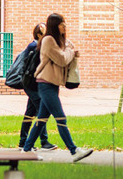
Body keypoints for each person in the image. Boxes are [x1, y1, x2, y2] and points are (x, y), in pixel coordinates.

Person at [22, 13, 93, 162]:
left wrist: (70, 51)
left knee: (41, 119)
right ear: (55, 25)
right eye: (62, 24)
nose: (65, 26)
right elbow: (61, 60)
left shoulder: (57, 41)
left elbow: (64, 56)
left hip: (52, 84)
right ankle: (74, 151)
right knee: (61, 117)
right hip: (45, 84)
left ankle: (26, 150)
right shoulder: (48, 40)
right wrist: (71, 52)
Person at [18, 23, 57, 151]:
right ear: (39, 34)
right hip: (31, 84)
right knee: (42, 111)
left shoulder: (35, 46)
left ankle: (23, 142)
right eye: (45, 32)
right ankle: (44, 142)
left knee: (30, 113)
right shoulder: (35, 46)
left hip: (32, 84)